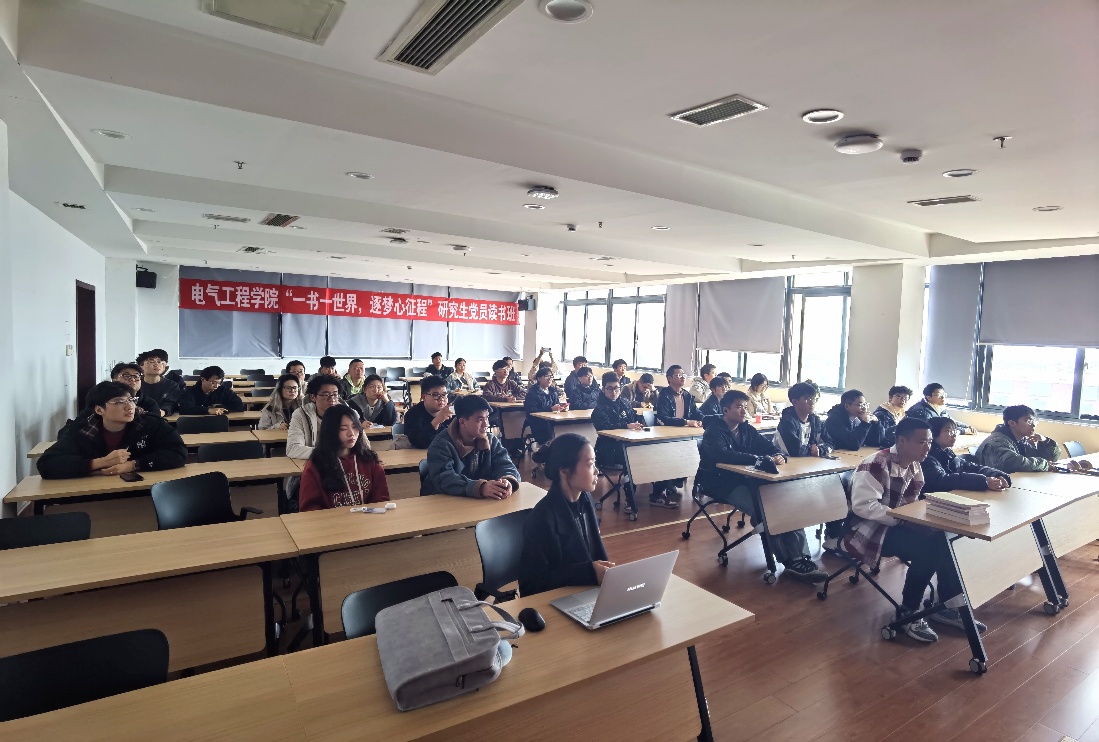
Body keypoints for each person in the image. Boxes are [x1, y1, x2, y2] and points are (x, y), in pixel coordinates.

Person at [844, 417, 979, 642]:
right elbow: (864, 507)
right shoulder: (877, 463)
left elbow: (913, 502)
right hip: (870, 530)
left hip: (898, 522)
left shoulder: (914, 463)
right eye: (921, 442)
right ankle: (908, 612)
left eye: (929, 442)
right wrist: (905, 520)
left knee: (947, 539)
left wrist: (921, 519)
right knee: (929, 550)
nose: (927, 448)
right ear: (902, 441)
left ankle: (946, 606)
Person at [698, 391, 828, 583]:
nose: (744, 411)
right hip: (721, 483)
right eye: (739, 407)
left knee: (787, 503)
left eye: (745, 407)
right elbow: (722, 454)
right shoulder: (714, 430)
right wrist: (757, 459)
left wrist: (778, 455)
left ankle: (801, 557)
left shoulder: (746, 429)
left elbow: (769, 447)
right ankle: (790, 562)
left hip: (748, 480)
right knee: (765, 511)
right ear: (725, 410)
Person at [518, 434, 613, 596]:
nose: (597, 471)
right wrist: (589, 573)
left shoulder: (585, 500)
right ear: (564, 472)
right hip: (558, 601)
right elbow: (531, 585)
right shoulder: (541, 519)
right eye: (590, 464)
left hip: (586, 594)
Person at [39, 381, 187, 479]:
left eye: (131, 400)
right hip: (94, 494)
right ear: (99, 410)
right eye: (119, 402)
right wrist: (98, 463)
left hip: (139, 493)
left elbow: (178, 452)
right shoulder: (82, 430)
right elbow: (47, 464)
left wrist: (133, 464)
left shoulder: (149, 424)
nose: (129, 407)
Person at [422, 395, 521, 497]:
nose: (486, 424)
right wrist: (480, 487)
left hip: (477, 501)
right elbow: (444, 479)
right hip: (442, 500)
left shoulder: (491, 440)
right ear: (462, 422)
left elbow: (506, 465)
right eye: (480, 419)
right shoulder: (442, 444)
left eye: (487, 417)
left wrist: (507, 480)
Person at [299, 405, 390, 511]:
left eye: (355, 427)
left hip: (366, 519)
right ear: (330, 432)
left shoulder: (369, 459)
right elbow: (309, 509)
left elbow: (381, 500)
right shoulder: (316, 465)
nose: (351, 433)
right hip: (331, 521)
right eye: (343, 429)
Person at [591, 372, 643, 514]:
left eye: (616, 388)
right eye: (610, 388)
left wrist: (639, 422)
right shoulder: (598, 409)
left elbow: (633, 417)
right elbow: (605, 427)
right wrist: (626, 426)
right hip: (608, 449)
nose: (614, 392)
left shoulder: (624, 403)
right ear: (603, 389)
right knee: (631, 459)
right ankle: (630, 499)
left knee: (648, 453)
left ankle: (658, 492)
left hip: (628, 444)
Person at [653, 365, 703, 508]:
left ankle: (673, 482)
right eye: (679, 375)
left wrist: (704, 420)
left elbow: (696, 413)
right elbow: (664, 418)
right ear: (669, 378)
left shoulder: (686, 395)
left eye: (683, 375)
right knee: (669, 460)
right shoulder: (664, 395)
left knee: (696, 453)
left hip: (683, 435)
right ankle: (658, 493)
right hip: (665, 436)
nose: (682, 377)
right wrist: (686, 422)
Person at [924, 418, 1010, 493]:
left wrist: (995, 474)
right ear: (933, 433)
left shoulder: (947, 452)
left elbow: (970, 467)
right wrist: (984, 481)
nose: (954, 435)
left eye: (954, 431)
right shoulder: (926, 456)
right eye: (948, 431)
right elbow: (944, 480)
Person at [974, 405, 1067, 473]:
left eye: (1034, 421)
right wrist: (1044, 464)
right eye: (1028, 421)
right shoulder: (997, 441)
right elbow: (1011, 463)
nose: (1033, 425)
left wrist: (1046, 441)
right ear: (1012, 423)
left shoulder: (1021, 440)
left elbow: (1050, 459)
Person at [287, 375, 358, 460]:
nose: (332, 399)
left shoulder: (350, 415)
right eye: (326, 395)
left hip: (347, 462)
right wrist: (330, 454)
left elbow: (364, 446)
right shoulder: (301, 415)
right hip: (316, 462)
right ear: (313, 397)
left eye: (335, 394)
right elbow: (293, 448)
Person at [776, 381, 832, 458]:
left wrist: (820, 449)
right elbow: (795, 451)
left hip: (808, 462)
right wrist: (812, 450)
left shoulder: (816, 421)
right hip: (786, 462)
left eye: (813, 398)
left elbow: (831, 443)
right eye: (807, 399)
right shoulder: (787, 422)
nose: (812, 402)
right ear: (795, 402)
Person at [824, 389, 892, 451]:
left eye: (865, 404)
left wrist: (876, 423)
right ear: (847, 406)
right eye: (860, 405)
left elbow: (876, 442)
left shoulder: (857, 418)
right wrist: (864, 424)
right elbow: (853, 445)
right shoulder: (834, 420)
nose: (864, 408)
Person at [403, 375, 453, 449]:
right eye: (436, 395)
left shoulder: (451, 413)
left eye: (444, 395)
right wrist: (436, 422)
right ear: (424, 397)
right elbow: (419, 443)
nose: (441, 399)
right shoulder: (412, 415)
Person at [906, 383, 974, 434]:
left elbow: (950, 421)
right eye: (939, 395)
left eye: (944, 394)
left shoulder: (940, 408)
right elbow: (934, 429)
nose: (943, 397)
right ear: (928, 397)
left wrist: (967, 426)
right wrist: (962, 431)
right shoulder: (920, 410)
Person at [524, 366, 567, 443]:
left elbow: (556, 405)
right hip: (538, 422)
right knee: (549, 428)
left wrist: (562, 408)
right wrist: (551, 409)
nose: (550, 379)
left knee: (566, 425)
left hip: (552, 420)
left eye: (551, 376)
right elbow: (531, 411)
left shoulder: (553, 391)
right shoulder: (532, 393)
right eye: (547, 376)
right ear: (539, 378)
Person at [178, 366, 245, 416]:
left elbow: (239, 406)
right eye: (213, 382)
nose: (216, 386)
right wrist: (208, 410)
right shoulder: (190, 392)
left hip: (219, 423)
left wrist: (219, 407)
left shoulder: (224, 390)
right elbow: (184, 409)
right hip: (198, 424)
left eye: (219, 383)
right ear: (203, 379)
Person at [136, 349, 181, 415]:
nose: (156, 364)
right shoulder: (135, 384)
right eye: (152, 361)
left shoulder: (171, 385)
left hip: (162, 417)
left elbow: (171, 404)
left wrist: (162, 412)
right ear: (141, 366)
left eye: (159, 362)